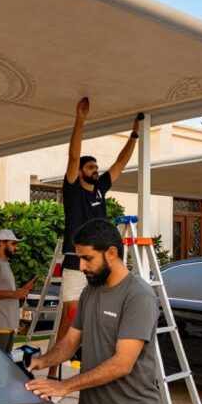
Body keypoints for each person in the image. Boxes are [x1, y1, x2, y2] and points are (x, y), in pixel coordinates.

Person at [25, 219, 160, 404]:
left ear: (111, 253)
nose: (82, 266)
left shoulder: (137, 296)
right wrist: (40, 362)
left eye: (87, 258)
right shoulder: (91, 291)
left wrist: (64, 386)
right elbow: (71, 341)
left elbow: (122, 364)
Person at [57, 97, 142, 354]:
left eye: (96, 167)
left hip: (100, 263)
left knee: (90, 318)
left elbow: (120, 164)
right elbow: (73, 156)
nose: (96, 170)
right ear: (81, 171)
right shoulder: (73, 189)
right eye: (91, 167)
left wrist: (134, 136)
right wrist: (80, 120)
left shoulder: (100, 190)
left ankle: (65, 368)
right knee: (72, 317)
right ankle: (56, 370)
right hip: (75, 263)